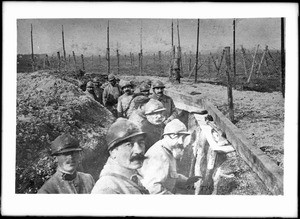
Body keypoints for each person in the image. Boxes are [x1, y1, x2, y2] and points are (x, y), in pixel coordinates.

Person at [139, 119, 201, 194]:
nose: (181, 142)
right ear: (167, 136)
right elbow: (153, 188)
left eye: (183, 137)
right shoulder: (160, 155)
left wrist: (187, 180)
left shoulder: (168, 150)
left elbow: (170, 176)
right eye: (176, 137)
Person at [91, 118, 149, 194]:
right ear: (113, 152)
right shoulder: (108, 188)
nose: (139, 150)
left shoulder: (132, 176)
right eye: (129, 144)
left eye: (141, 143)